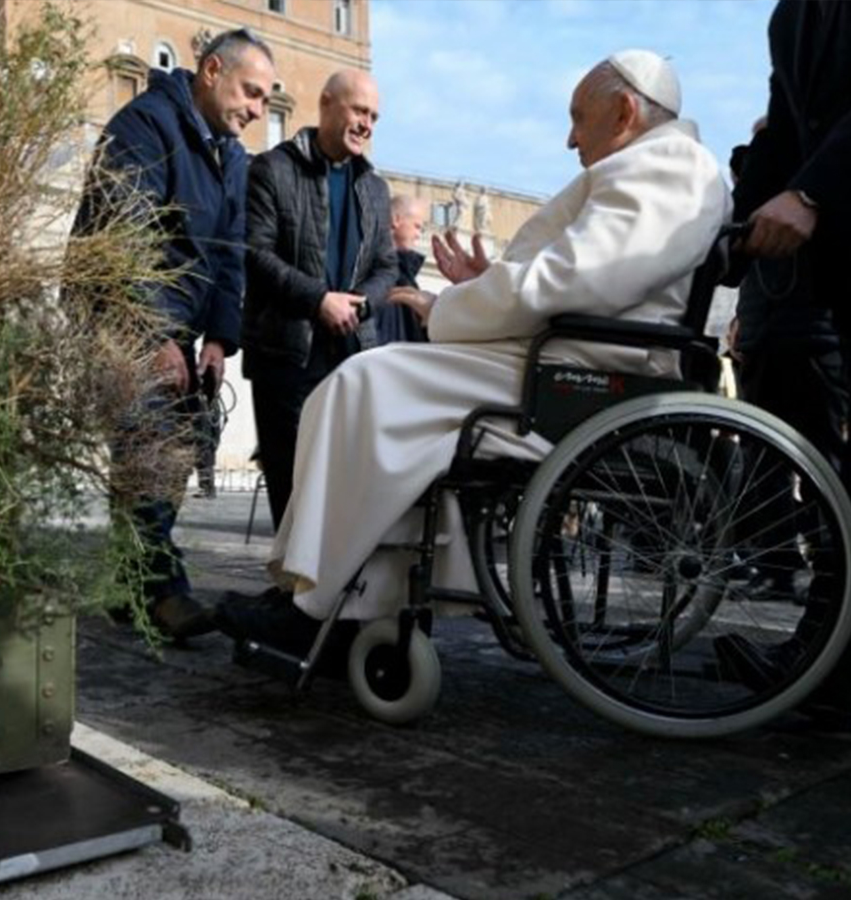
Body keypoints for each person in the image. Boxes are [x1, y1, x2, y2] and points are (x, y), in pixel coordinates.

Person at [216, 50, 731, 655]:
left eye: (577, 118)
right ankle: (351, 597)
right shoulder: (659, 165)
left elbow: (568, 282)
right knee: (370, 385)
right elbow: (578, 277)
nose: (570, 139)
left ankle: (322, 605)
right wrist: (489, 283)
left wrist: (452, 307)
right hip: (565, 356)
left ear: (623, 112)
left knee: (365, 383)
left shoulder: (668, 168)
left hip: (578, 370)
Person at [72, 29, 275, 639]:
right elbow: (125, 237)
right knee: (150, 449)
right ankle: (163, 592)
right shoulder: (144, 127)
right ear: (211, 71)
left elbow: (229, 252)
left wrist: (218, 338)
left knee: (171, 456)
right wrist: (154, 332)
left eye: (266, 99)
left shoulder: (231, 155)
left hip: (179, 323)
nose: (258, 110)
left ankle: (127, 586)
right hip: (122, 318)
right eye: (251, 92)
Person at [714, 0, 851, 721]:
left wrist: (811, 194)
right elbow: (789, 133)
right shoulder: (790, 17)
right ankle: (828, 660)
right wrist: (734, 232)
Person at [241, 70, 398, 531]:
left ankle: (335, 576)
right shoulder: (272, 168)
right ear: (326, 103)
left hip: (353, 357)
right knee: (292, 487)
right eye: (359, 110)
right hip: (286, 355)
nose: (366, 124)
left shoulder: (375, 188)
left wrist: (359, 304)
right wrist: (318, 300)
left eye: (374, 117)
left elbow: (386, 267)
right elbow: (255, 253)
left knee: (346, 489)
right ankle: (291, 574)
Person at [376, 195, 429, 346]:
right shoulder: (374, 269)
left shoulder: (406, 275)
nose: (418, 235)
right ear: (396, 220)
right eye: (417, 226)